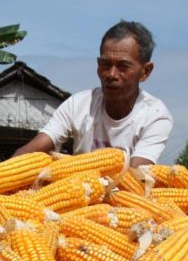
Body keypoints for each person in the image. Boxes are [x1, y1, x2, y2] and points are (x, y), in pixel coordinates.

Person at [14, 20, 173, 167]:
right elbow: (32, 150)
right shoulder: (78, 104)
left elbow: (136, 175)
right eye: (105, 64)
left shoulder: (155, 116)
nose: (111, 74)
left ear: (145, 71)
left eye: (123, 66)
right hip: (79, 193)